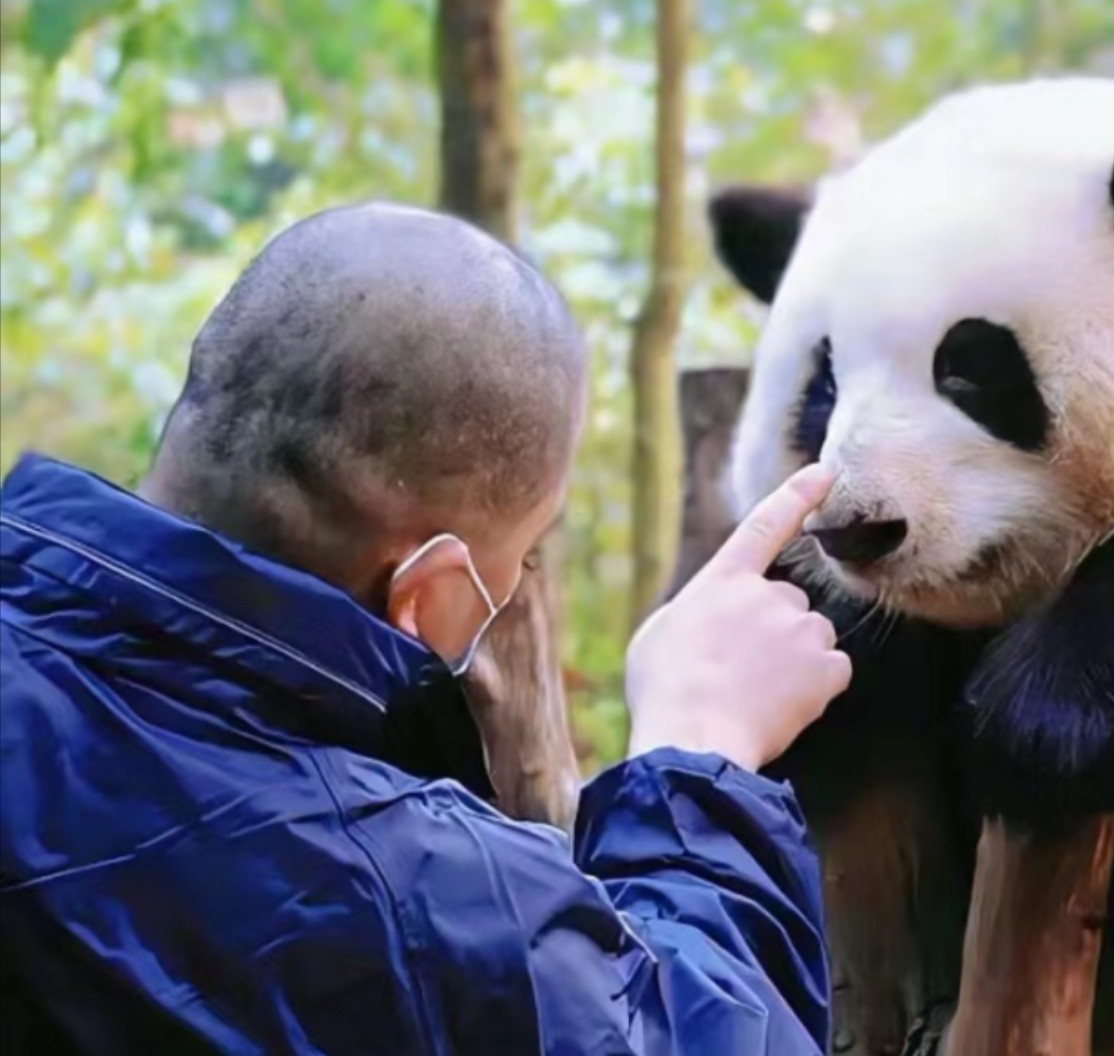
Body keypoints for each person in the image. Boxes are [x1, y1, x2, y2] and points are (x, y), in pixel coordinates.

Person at [0, 203, 853, 1054]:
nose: (518, 584)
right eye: (522, 560)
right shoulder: (421, 904)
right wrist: (697, 759)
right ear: (431, 593)